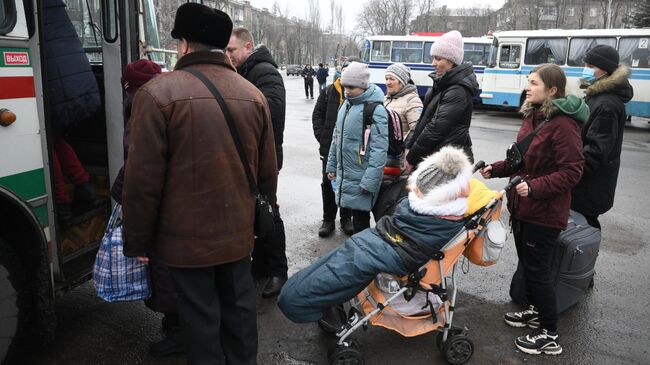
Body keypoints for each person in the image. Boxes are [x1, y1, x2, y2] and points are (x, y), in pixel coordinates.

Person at [122, 4, 278, 364]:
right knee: (240, 315)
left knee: (200, 321)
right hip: (238, 236)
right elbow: (267, 172)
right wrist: (257, 225)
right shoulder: (252, 95)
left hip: (184, 242)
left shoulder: (157, 94)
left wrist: (139, 239)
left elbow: (142, 179)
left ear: (183, 45)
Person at [279, 147, 497, 323]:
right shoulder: (433, 207)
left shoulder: (449, 217)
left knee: (357, 259)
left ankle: (303, 301)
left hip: (402, 249)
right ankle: (318, 297)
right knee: (353, 249)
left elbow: (420, 236)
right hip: (392, 237)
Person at [480, 64, 586, 356]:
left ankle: (550, 334)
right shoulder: (534, 115)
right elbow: (523, 161)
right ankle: (535, 310)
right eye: (528, 81)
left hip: (545, 211)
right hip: (524, 207)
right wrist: (496, 168)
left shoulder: (563, 123)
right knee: (529, 266)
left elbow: (573, 171)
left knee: (538, 271)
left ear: (552, 90)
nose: (528, 86)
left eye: (534, 82)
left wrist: (537, 187)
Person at [111, 59, 182, 358]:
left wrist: (120, 192)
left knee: (164, 268)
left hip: (161, 202)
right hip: (175, 199)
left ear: (129, 87)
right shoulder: (170, 97)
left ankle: (179, 334)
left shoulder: (143, 106)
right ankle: (176, 324)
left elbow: (140, 165)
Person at [227, 27, 289, 297]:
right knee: (255, 210)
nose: (228, 55)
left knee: (267, 210)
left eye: (232, 50)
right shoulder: (244, 71)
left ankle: (279, 271)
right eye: (226, 50)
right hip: (250, 154)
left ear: (248, 47)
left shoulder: (264, 71)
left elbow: (272, 109)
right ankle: (263, 264)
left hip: (265, 156)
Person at [572, 45, 633, 229]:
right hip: (586, 184)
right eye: (586, 64)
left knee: (582, 232)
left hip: (588, 186)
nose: (586, 69)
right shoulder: (598, 95)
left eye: (591, 66)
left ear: (605, 70)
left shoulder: (607, 104)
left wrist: (569, 173)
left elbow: (596, 151)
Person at [326, 62, 388, 234]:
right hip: (346, 174)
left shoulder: (375, 110)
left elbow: (379, 150)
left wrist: (370, 181)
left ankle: (364, 253)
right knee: (356, 218)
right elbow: (335, 138)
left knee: (361, 220)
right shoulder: (346, 105)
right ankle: (359, 250)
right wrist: (331, 166)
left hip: (362, 178)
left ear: (362, 85)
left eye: (351, 87)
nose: (347, 91)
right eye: (345, 86)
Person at [404, 30, 478, 173]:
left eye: (438, 59)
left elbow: (435, 129)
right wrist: (409, 144)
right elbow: (423, 120)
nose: (433, 63)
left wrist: (412, 157)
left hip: (444, 163)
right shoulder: (443, 84)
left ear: (451, 60)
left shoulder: (458, 89)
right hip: (435, 156)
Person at [311, 58, 360, 238]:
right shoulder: (328, 92)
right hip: (329, 150)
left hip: (350, 151)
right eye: (344, 69)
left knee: (347, 183)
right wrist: (323, 138)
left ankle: (346, 219)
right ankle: (328, 220)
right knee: (328, 184)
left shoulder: (358, 95)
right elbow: (317, 116)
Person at [384, 63, 423, 141]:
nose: (388, 83)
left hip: (398, 152)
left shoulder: (412, 101)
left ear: (402, 82)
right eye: (386, 79)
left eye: (392, 79)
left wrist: (400, 146)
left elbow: (416, 131)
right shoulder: (386, 99)